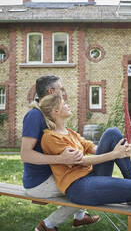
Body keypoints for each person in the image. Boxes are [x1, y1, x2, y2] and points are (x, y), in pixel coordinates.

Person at [39, 93, 131, 216]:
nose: (68, 105)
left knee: (112, 133)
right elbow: (81, 161)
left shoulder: (70, 133)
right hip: (79, 188)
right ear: (55, 111)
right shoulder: (50, 137)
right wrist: (115, 154)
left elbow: (92, 147)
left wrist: (120, 149)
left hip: (93, 175)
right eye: (64, 104)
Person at [21, 75, 99, 231]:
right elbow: (25, 155)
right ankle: (47, 225)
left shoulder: (48, 113)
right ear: (51, 91)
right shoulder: (34, 115)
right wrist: (60, 158)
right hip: (39, 183)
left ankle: (79, 216)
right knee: (85, 189)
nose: (63, 93)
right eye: (61, 89)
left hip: (53, 175)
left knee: (85, 180)